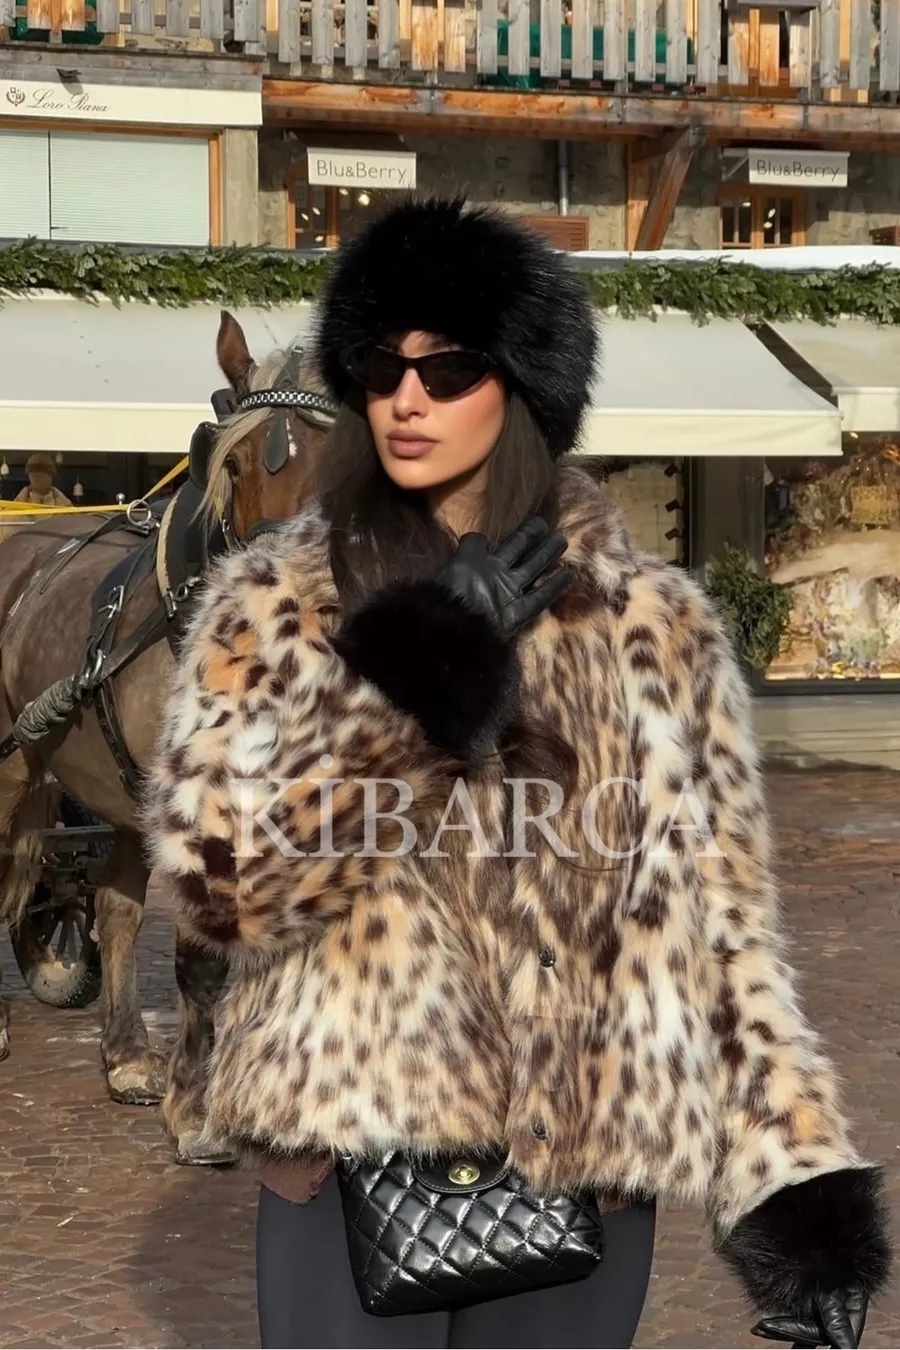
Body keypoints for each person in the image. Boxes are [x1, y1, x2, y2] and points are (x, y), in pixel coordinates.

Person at [144, 196, 891, 1350]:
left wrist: (794, 1197)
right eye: (383, 369)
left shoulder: (652, 626)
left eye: (449, 369)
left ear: (524, 391)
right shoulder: (276, 603)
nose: (407, 398)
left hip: (583, 1172)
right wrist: (417, 684)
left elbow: (724, 933)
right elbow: (222, 888)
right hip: (346, 1164)